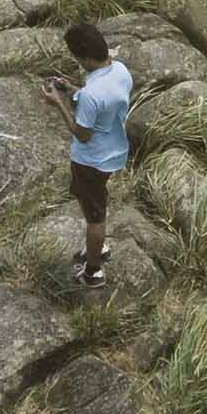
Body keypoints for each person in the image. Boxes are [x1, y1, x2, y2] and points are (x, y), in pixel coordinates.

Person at [41, 22, 131, 289]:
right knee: (92, 201)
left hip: (91, 160)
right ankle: (97, 248)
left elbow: (81, 133)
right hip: (113, 151)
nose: (77, 62)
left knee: (95, 217)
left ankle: (93, 271)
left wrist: (58, 102)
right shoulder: (120, 71)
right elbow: (105, 103)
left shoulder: (91, 95)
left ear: (86, 57)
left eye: (77, 58)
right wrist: (74, 91)